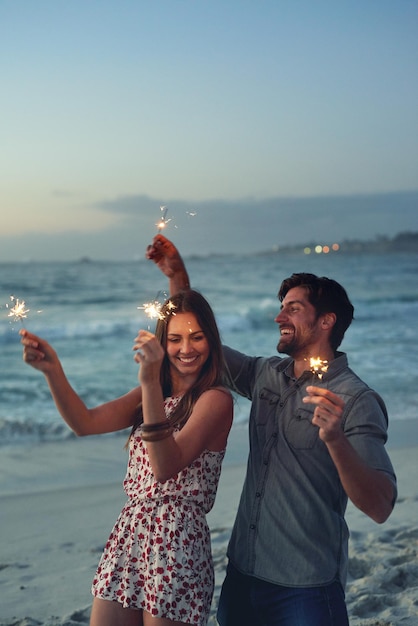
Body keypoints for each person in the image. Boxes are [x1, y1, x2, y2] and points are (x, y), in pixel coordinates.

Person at [146, 235, 397, 626]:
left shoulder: (355, 399)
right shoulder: (266, 375)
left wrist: (335, 439)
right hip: (242, 579)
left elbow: (380, 505)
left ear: (326, 321)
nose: (279, 317)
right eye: (281, 308)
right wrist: (179, 277)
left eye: (293, 309)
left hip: (307, 588)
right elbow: (200, 345)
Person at [20, 289, 233, 626]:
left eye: (197, 337)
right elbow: (84, 423)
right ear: (162, 343)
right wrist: (53, 370)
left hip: (177, 538)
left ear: (212, 339)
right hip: (131, 531)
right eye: (175, 339)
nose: (186, 348)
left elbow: (165, 466)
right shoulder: (154, 392)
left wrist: (149, 380)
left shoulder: (215, 400)